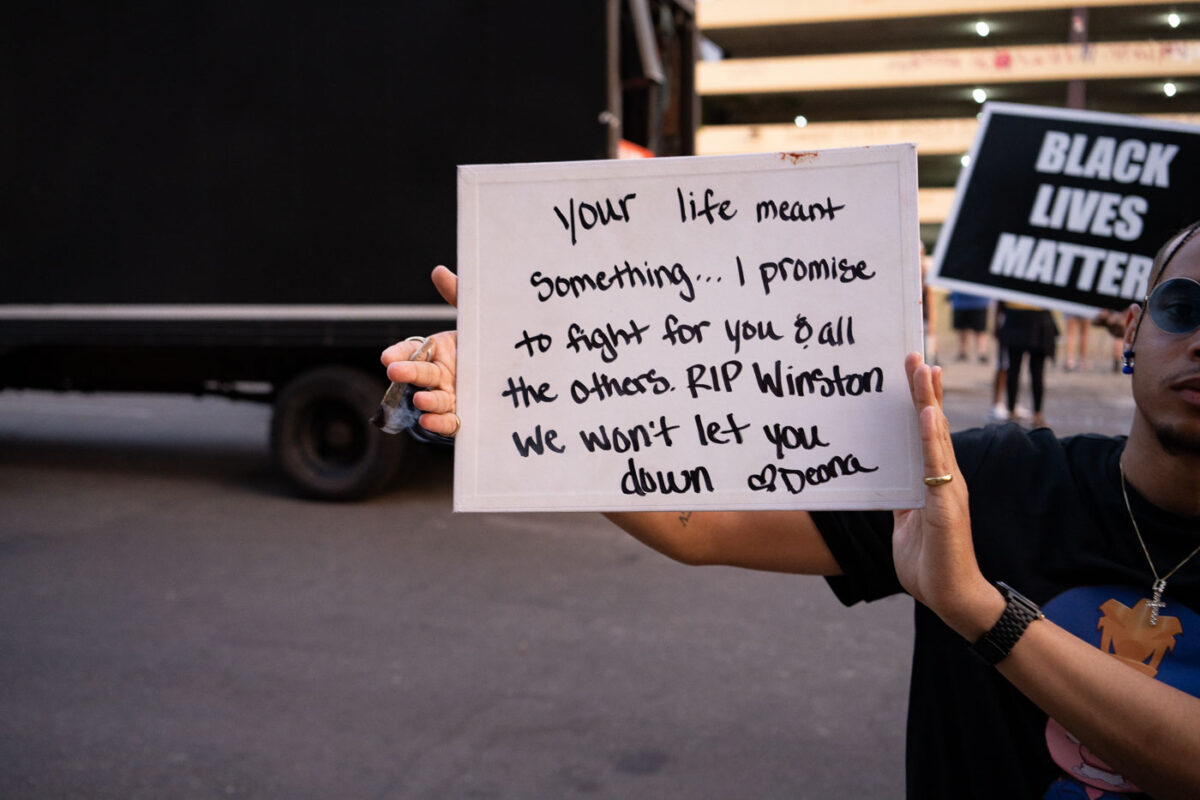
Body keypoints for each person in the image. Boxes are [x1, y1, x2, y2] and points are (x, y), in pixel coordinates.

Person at [382, 222, 1200, 799]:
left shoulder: (969, 543)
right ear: (1131, 330)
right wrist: (531, 400)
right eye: (1183, 309)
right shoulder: (986, 476)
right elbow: (701, 528)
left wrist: (976, 607)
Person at [998, 301, 1059, 428]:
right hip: (1033, 315)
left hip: (1020, 315)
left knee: (1020, 370)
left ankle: (1015, 413)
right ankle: (1034, 415)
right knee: (1030, 371)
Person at [949, 291, 991, 363]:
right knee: (962, 328)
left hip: (979, 302)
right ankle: (963, 352)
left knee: (980, 329)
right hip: (960, 301)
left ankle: (982, 352)